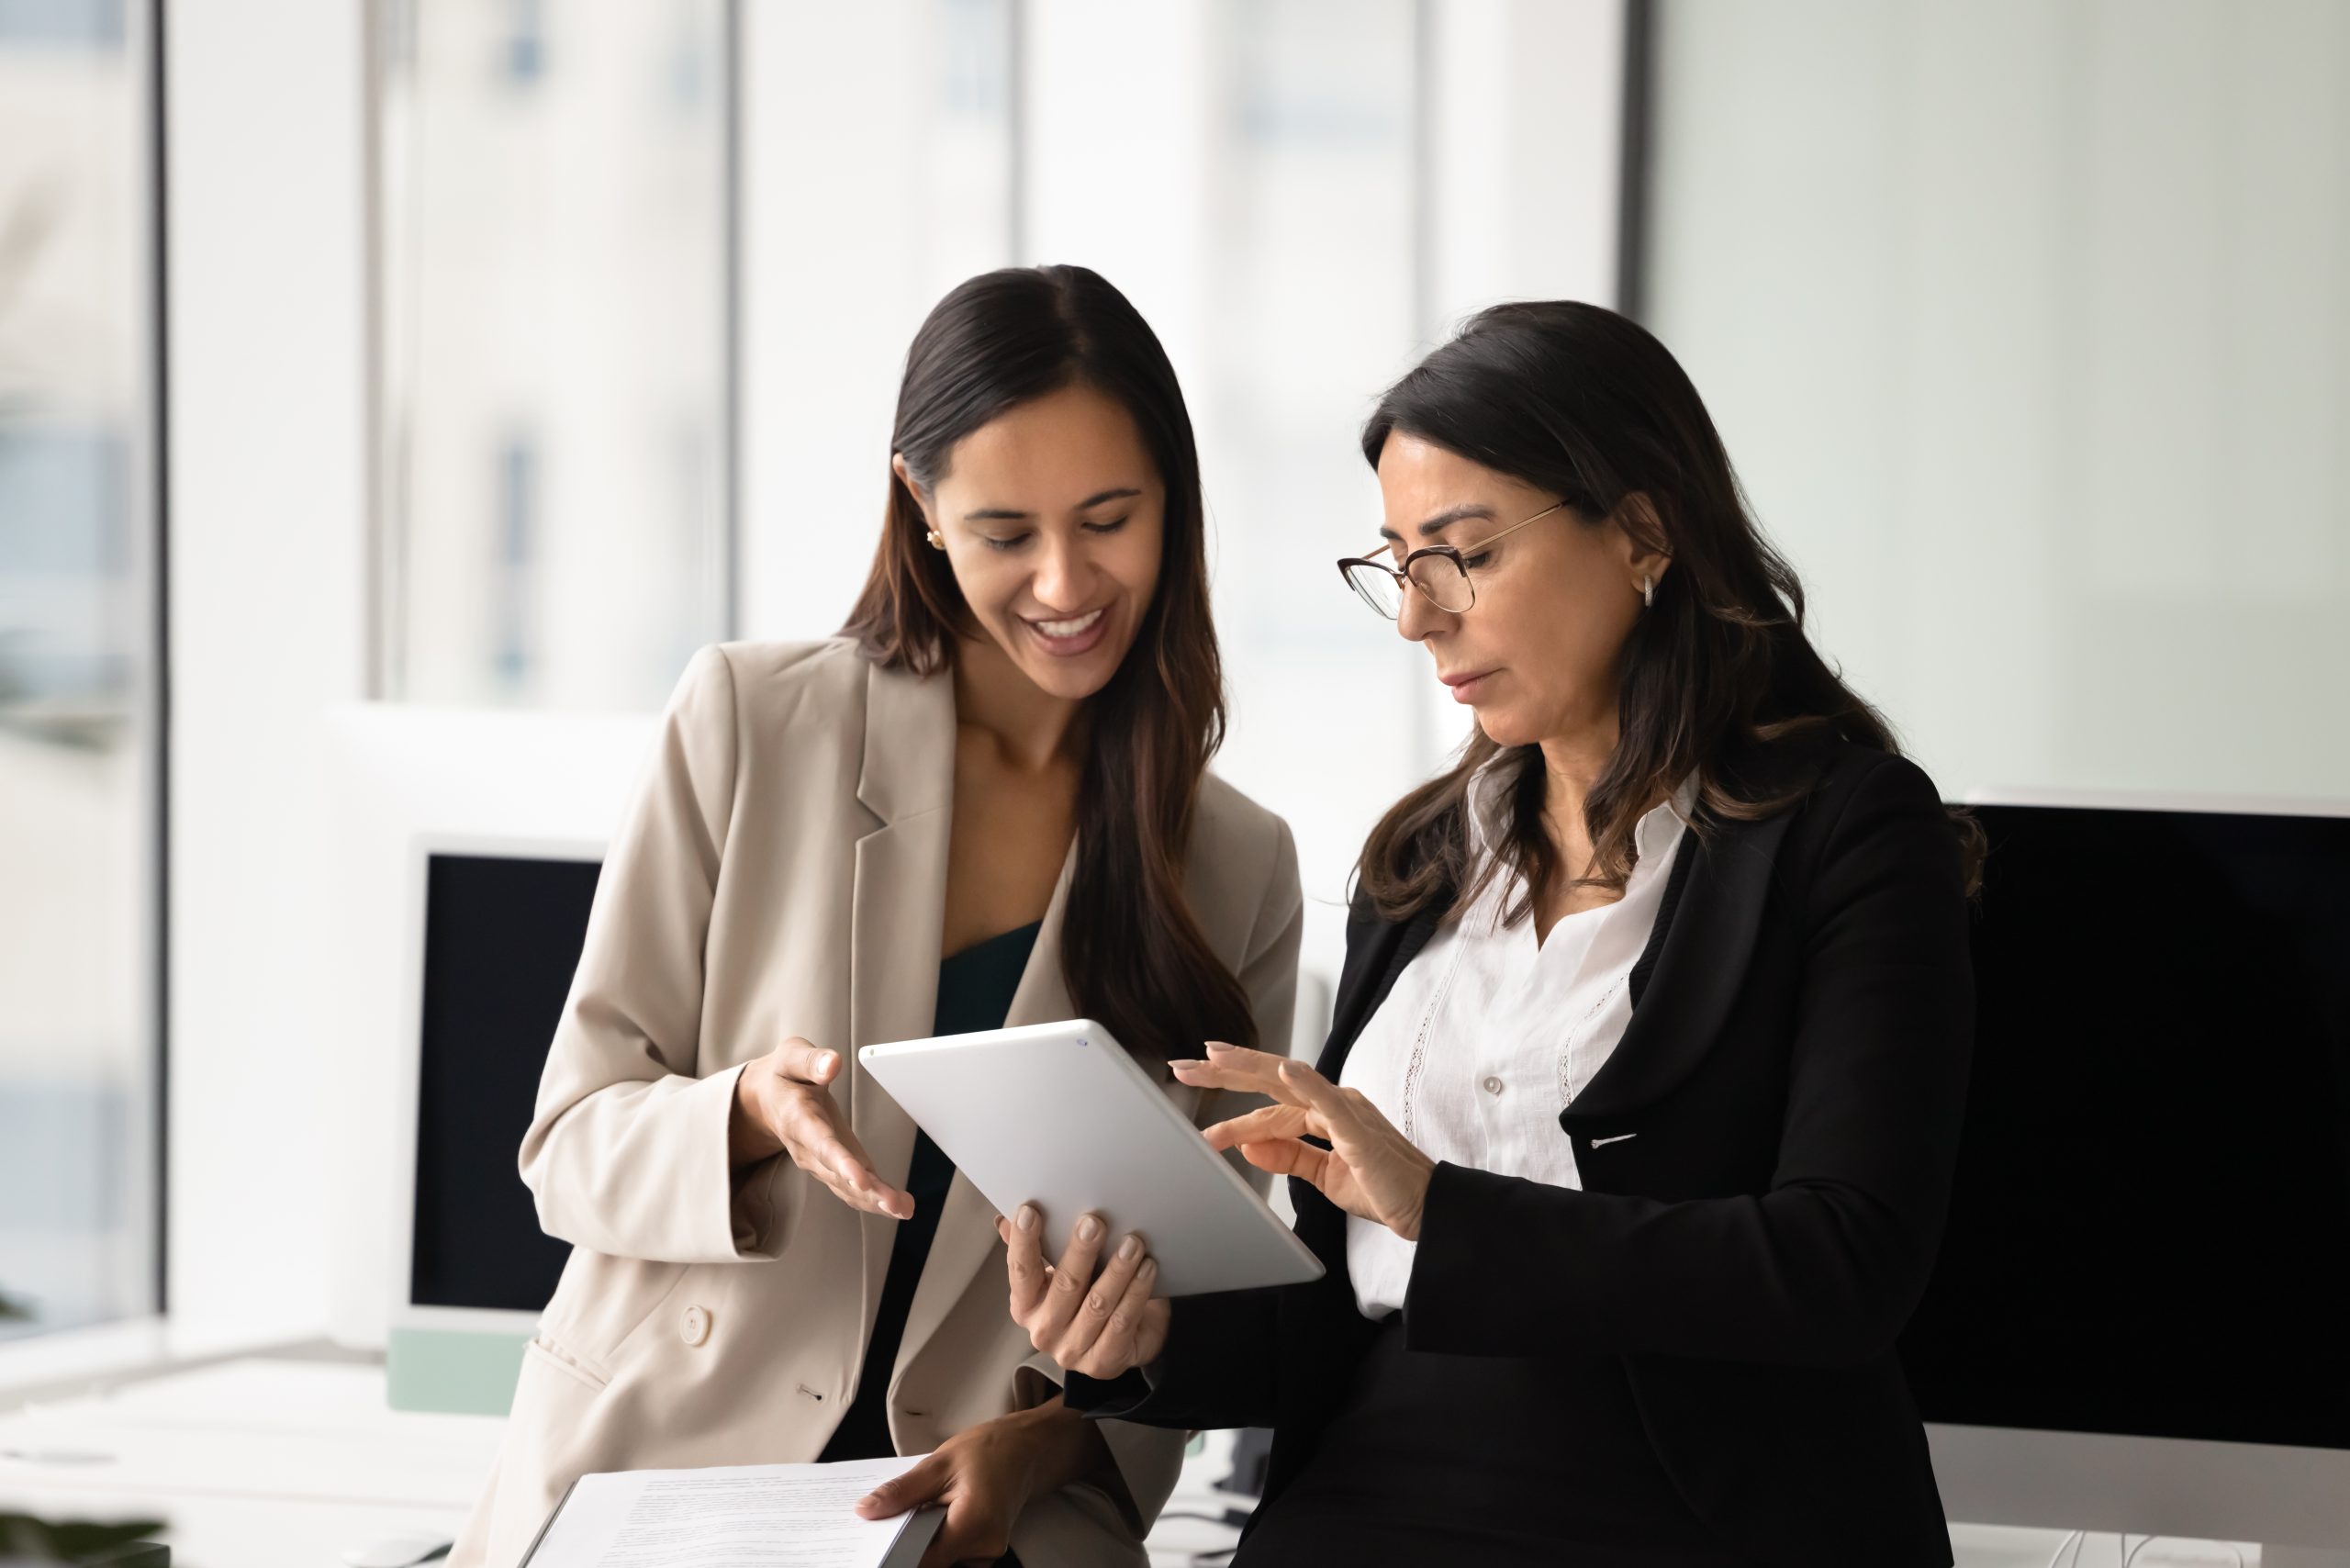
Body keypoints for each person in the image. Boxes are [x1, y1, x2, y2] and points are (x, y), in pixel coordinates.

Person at [1007, 300, 1981, 1567]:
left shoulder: (1846, 831)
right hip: (1363, 1490)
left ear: (1642, 530)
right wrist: (1143, 1345)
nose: (1419, 618)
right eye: (1398, 565)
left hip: (1686, 1508)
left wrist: (1444, 1211)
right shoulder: (1421, 859)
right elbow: (1337, 1317)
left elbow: (1845, 1262)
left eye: (1464, 555)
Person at [451, 265, 1303, 1568]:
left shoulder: (1236, 864)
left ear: (1173, 503)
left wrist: (1055, 1435)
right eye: (1006, 532)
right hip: (672, 1475)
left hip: (988, 1524)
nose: (1066, 583)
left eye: (1109, 519)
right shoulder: (751, 721)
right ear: (921, 506)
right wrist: (741, 1114)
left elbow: (1197, 1319)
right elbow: (567, 1145)